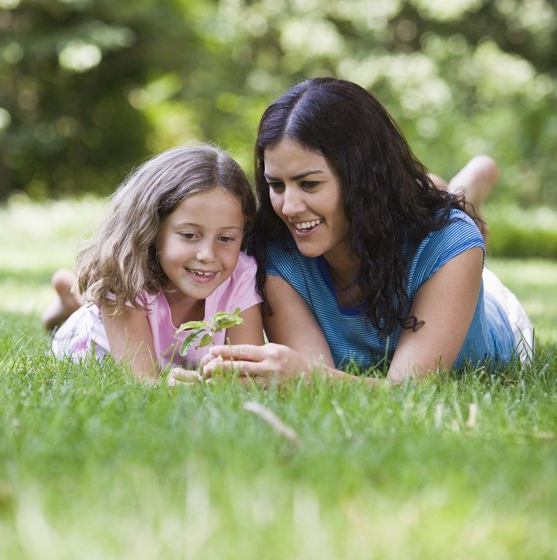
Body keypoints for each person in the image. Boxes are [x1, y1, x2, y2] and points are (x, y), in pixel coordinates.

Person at [201, 77, 533, 385]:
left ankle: (466, 188)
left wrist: (314, 378)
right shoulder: (277, 251)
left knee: (452, 222)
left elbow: (408, 391)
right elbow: (312, 374)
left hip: (492, 312)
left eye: (309, 183)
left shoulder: (450, 244)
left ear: (361, 177)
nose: (288, 207)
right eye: (276, 185)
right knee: (435, 207)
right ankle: (450, 191)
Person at [48, 144, 264, 382]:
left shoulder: (241, 275)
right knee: (83, 314)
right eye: (189, 235)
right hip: (90, 337)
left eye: (226, 238)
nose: (208, 255)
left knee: (84, 301)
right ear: (151, 228)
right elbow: (146, 380)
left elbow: (247, 373)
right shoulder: (123, 278)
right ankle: (71, 303)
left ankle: (72, 299)